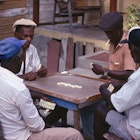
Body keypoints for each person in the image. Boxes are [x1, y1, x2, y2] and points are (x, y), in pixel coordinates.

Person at [0, 37, 84, 140]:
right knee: (74, 134)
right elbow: (36, 126)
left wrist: (37, 95)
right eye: (22, 56)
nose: (23, 59)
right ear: (17, 59)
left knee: (50, 108)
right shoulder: (19, 88)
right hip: (22, 136)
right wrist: (46, 126)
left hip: (8, 129)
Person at [80, 11, 137, 140]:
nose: (108, 35)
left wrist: (105, 72)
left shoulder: (128, 46)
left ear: (119, 29)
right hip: (113, 86)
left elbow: (130, 74)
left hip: (124, 92)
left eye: (110, 32)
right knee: (86, 102)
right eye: (106, 32)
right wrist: (104, 75)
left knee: (93, 107)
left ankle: (95, 135)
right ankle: (90, 134)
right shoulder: (112, 42)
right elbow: (113, 70)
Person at [12, 18, 68, 127]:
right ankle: (41, 126)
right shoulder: (8, 52)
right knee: (36, 113)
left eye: (31, 36)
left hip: (32, 97)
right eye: (25, 36)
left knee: (59, 107)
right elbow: (4, 79)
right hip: (17, 102)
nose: (28, 39)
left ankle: (44, 124)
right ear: (16, 34)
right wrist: (23, 76)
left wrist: (42, 71)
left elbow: (37, 68)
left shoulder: (31, 49)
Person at [94, 26, 140, 140]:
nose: (130, 50)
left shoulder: (137, 78)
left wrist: (103, 89)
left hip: (136, 131)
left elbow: (116, 103)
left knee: (100, 110)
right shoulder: (111, 44)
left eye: (131, 47)